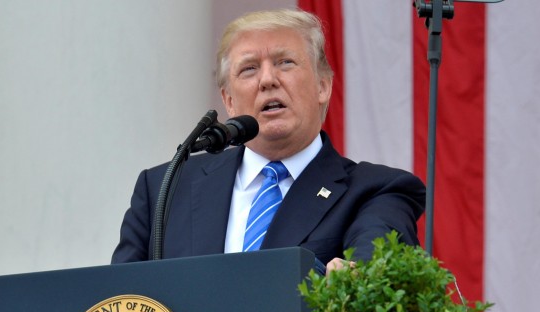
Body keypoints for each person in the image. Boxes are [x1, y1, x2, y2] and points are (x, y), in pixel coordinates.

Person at [111, 8, 425, 275]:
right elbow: (117, 304)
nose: (267, 80)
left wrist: (358, 277)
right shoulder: (164, 189)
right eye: (249, 69)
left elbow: (372, 268)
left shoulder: (377, 191)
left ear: (323, 86)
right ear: (229, 101)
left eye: (285, 62)